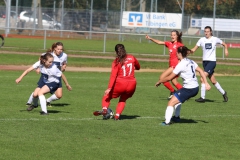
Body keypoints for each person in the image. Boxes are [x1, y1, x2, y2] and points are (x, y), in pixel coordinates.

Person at [155, 46, 211, 126]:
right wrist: (206, 83)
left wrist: (160, 81)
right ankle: (176, 117)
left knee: (170, 103)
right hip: (195, 88)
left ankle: (167, 122)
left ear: (180, 54)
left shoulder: (181, 64)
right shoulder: (191, 61)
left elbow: (170, 77)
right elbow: (201, 71)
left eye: (177, 53)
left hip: (189, 89)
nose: (176, 54)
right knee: (177, 98)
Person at [93, 44, 140, 120]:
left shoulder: (116, 61)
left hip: (120, 83)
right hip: (132, 84)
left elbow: (113, 76)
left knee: (107, 96)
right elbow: (138, 67)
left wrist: (109, 88)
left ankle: (105, 110)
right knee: (123, 99)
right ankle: (117, 116)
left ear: (116, 52)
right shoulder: (132, 57)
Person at [26, 42, 72, 110]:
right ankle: (34, 103)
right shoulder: (49, 55)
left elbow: (64, 63)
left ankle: (47, 101)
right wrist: (38, 68)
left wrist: (64, 67)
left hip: (57, 76)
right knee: (38, 93)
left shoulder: (64, 55)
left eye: (61, 49)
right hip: (46, 76)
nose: (60, 50)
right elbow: (41, 58)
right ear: (54, 49)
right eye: (58, 49)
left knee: (59, 95)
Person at [191, 26, 229, 103]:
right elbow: (194, 49)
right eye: (205, 31)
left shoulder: (214, 39)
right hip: (205, 62)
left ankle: (202, 97)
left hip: (212, 62)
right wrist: (186, 52)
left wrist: (226, 50)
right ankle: (224, 93)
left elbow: (225, 44)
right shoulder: (201, 40)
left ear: (211, 32)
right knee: (213, 81)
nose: (206, 33)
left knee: (202, 77)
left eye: (208, 31)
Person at [146, 30, 183, 99]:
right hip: (171, 65)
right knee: (174, 81)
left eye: (174, 35)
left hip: (175, 66)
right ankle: (184, 93)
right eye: (171, 35)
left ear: (177, 36)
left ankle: (173, 91)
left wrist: (180, 63)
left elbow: (184, 54)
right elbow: (159, 42)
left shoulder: (179, 45)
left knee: (162, 78)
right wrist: (150, 38)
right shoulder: (169, 43)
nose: (172, 36)